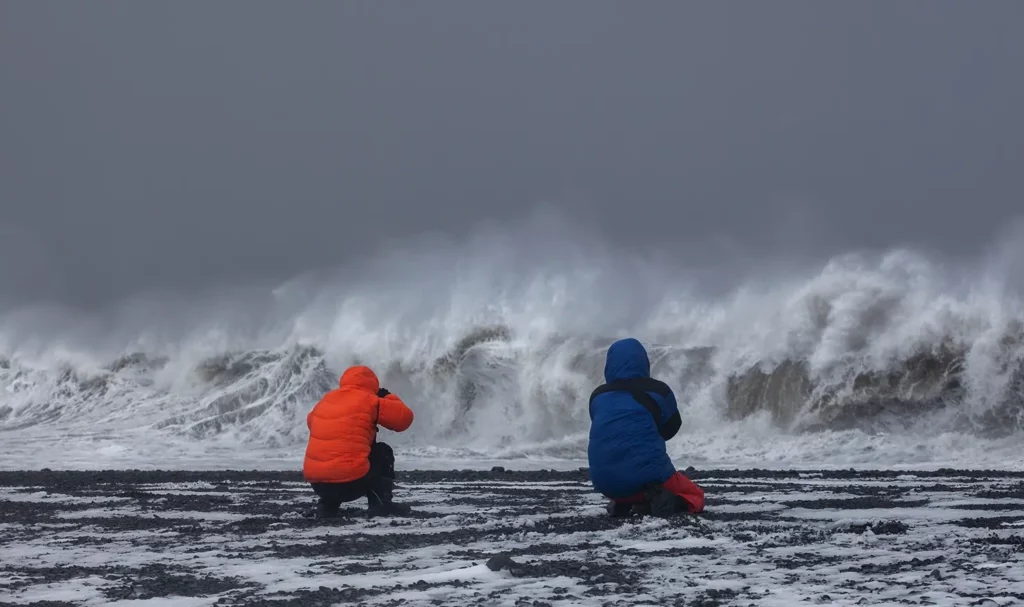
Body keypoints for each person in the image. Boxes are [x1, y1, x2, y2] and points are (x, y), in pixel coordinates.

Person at [587, 338, 705, 517]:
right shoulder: (659, 391)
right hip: (649, 477)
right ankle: (665, 502)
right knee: (695, 496)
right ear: (644, 362)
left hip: (605, 484)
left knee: (630, 477)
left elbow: (605, 429)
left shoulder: (597, 396)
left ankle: (624, 502)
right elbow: (673, 426)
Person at [303, 365, 415, 518]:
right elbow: (404, 419)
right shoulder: (370, 400)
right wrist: (387, 396)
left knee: (334, 452)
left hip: (318, 485)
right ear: (372, 384)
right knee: (382, 451)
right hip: (351, 484)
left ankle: (327, 506)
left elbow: (311, 423)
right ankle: (381, 505)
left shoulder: (326, 400)